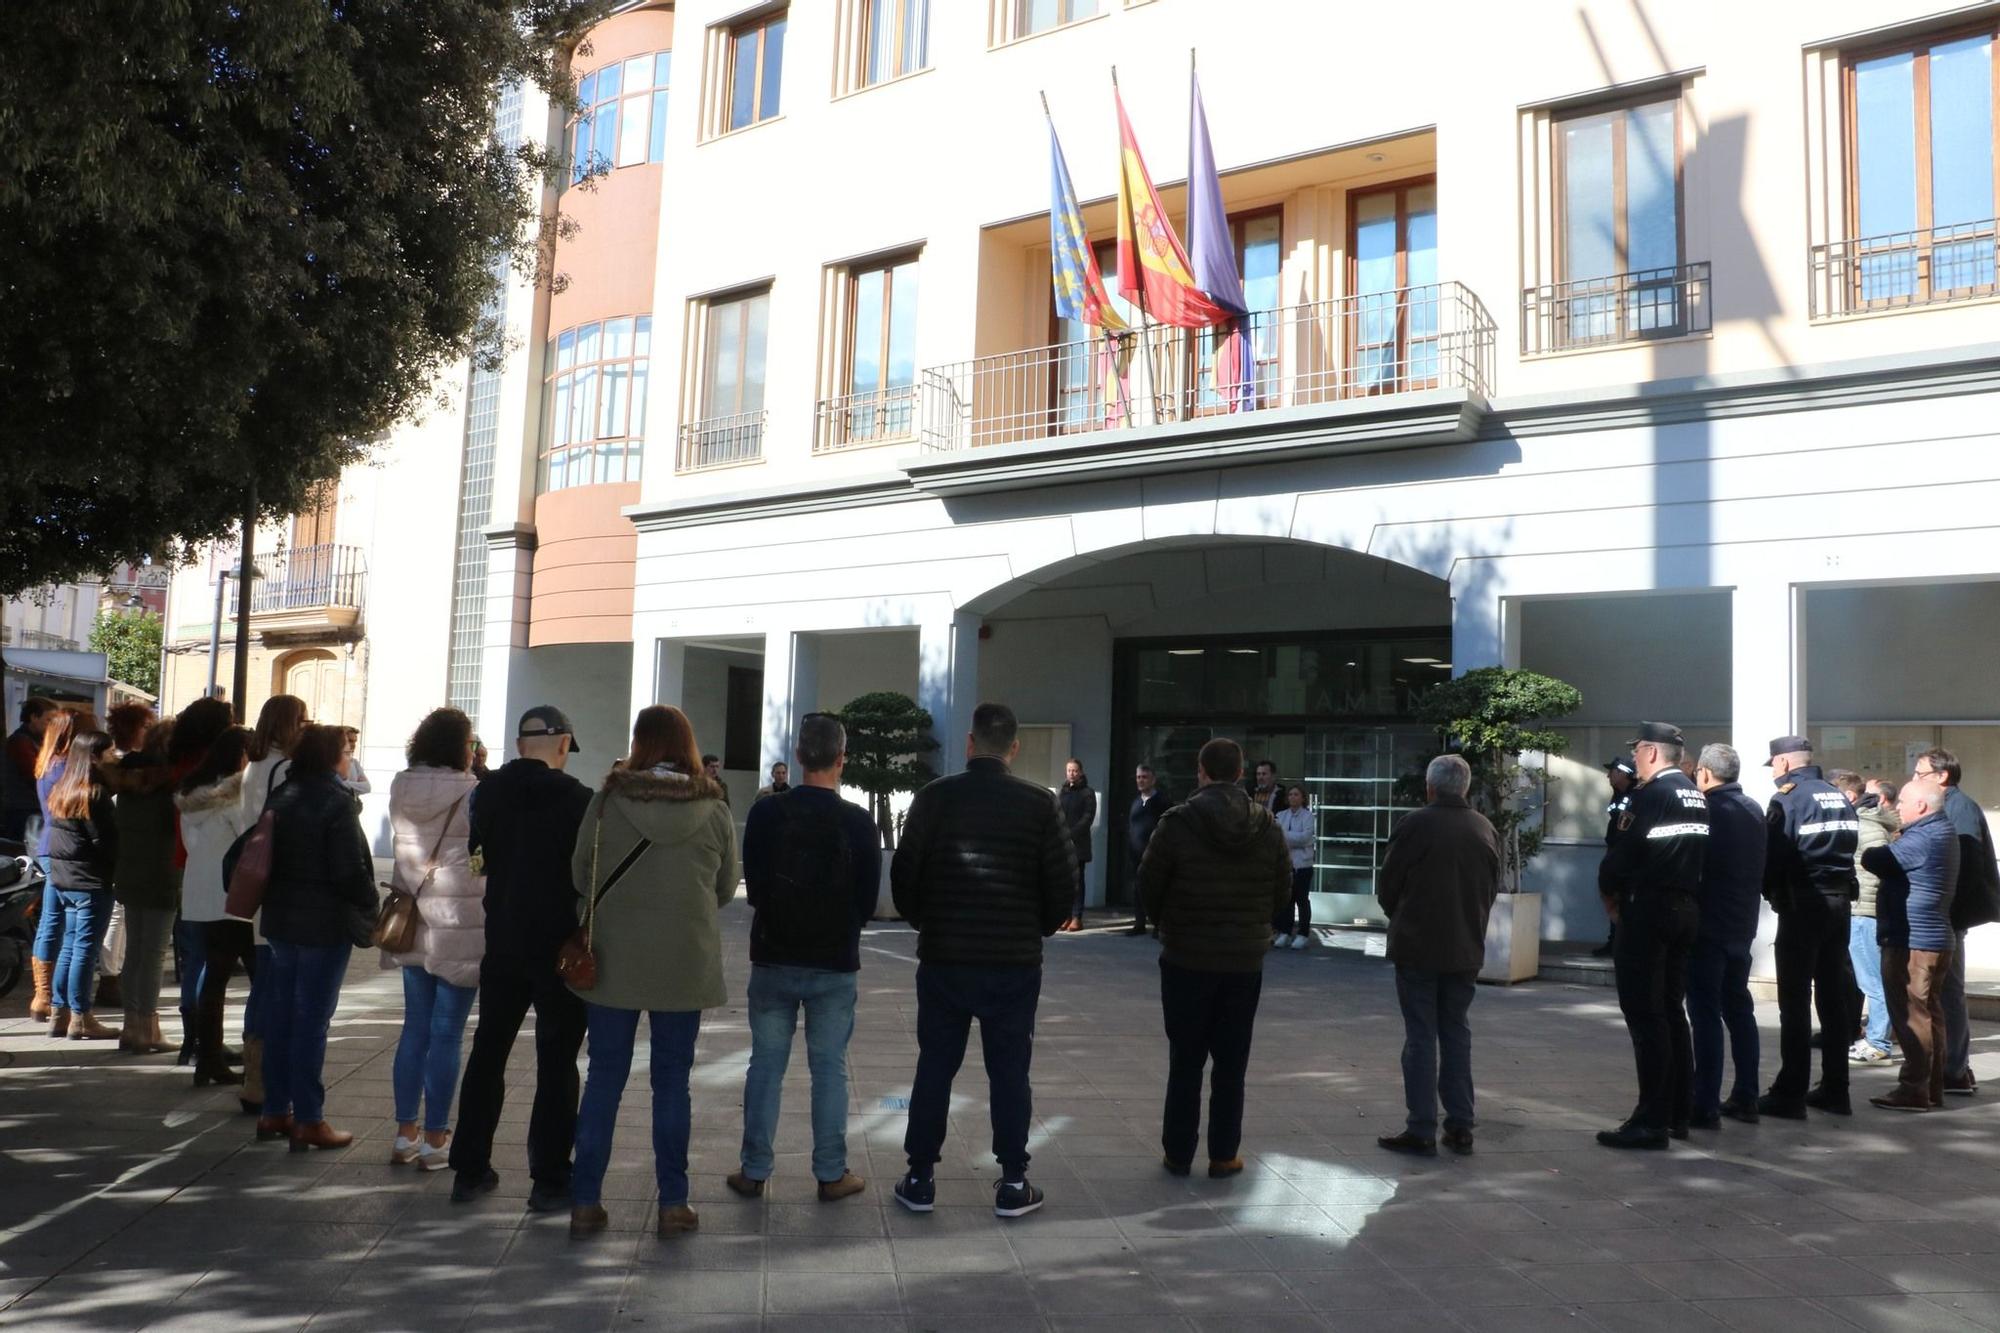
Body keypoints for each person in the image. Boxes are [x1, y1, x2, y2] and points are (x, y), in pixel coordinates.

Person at [890, 702, 1073, 1219]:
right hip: (1013, 962)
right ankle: (1013, 1181)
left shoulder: (933, 798)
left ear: (970, 743)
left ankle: (921, 1177)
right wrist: (1032, 927)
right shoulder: (1040, 804)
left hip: (945, 958)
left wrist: (926, 920)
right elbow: (1063, 885)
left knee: (935, 1068)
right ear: (1013, 748)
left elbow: (905, 874)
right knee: (1010, 1071)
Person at [567, 706, 737, 1241]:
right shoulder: (713, 807)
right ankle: (674, 1203)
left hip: (612, 960)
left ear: (638, 742)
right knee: (672, 1085)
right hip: (683, 964)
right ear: (687, 745)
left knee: (603, 1080)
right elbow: (726, 888)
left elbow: (579, 876)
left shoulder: (607, 802)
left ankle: (586, 1202)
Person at [729, 712, 880, 1202]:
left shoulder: (768, 814)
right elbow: (867, 900)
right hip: (834, 961)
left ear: (797, 757)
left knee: (765, 1066)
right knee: (830, 1069)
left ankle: (754, 1169)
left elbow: (752, 888)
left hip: (774, 954)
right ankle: (831, 1173)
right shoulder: (858, 822)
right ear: (841, 760)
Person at [450, 705, 593, 1210]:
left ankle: (469, 1167)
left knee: (489, 1051)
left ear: (517, 745)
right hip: (558, 947)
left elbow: (479, 859)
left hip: (503, 939)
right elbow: (586, 875)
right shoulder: (579, 799)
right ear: (562, 744)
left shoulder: (485, 792)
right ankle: (550, 1178)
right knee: (557, 1061)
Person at [1139, 737, 1289, 1176]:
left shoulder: (1177, 823)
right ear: (1241, 773)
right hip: (1244, 961)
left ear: (1201, 772)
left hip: (1186, 956)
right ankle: (1224, 1154)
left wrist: (1167, 922)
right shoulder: (1267, 826)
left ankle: (1178, 1152)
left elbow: (1149, 884)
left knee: (1184, 1060)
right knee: (1232, 1062)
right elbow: (1281, 891)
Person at [257, 725, 379, 1152]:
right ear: (331, 757)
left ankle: (275, 1109)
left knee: (282, 1016)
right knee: (311, 1021)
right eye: (346, 750)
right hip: (323, 925)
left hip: (280, 921)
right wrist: (371, 903)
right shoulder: (336, 803)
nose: (350, 757)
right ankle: (309, 1118)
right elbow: (349, 871)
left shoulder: (283, 794)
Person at [1374, 754, 1500, 1156]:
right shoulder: (1484, 827)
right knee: (1456, 1032)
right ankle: (1460, 1123)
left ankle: (1422, 1125)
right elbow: (1490, 890)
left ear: (1430, 787)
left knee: (1421, 1036)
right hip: (1464, 947)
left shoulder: (1415, 824)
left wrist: (1405, 917)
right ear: (1464, 787)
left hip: (1418, 945)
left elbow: (1388, 885)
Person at [1597, 722, 1708, 1150]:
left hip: (1647, 912)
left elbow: (1620, 857)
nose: (1636, 760)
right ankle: (1678, 1112)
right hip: (1684, 909)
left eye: (1638, 752)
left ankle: (1651, 1120)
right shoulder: (1695, 794)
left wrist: (1610, 896)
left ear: (1649, 752)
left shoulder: (1649, 796)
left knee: (1646, 1017)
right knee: (1671, 1012)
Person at [383, 708, 483, 1171]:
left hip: (412, 920)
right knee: (447, 1033)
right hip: (459, 922)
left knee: (415, 1029)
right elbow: (481, 859)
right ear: (459, 746)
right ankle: (437, 1138)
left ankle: (405, 1133)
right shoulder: (473, 792)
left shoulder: (401, 788)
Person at [1757, 735, 1860, 1120]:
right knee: (1833, 1001)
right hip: (1838, 903)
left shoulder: (1789, 798)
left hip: (1803, 904)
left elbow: (1776, 855)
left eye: (1773, 766)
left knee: (1795, 1002)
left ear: (1783, 763)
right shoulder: (1837, 796)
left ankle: (1790, 1093)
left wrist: (1768, 891)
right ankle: (1837, 1090)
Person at [1862, 783, 1959, 1112]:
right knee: (1929, 1014)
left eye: (1901, 802)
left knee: (1911, 1016)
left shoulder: (1922, 837)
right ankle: (1930, 1088)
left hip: (1913, 941)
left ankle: (1914, 1089)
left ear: (1920, 805)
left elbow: (1876, 859)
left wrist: (1887, 840)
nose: (1895, 807)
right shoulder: (1940, 831)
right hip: (1932, 937)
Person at [1908, 749, 1999, 1097]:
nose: (1915, 779)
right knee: (1945, 992)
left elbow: (1958, 866)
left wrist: (1945, 910)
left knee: (1947, 993)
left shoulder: (1957, 808)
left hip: (1947, 917)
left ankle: (1953, 1069)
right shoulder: (1956, 805)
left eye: (1920, 773)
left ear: (1941, 776)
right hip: (1948, 915)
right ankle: (1954, 1067)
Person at [1688, 744, 1766, 1128]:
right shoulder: (1753, 808)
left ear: (1703, 773)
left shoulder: (1707, 810)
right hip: (1742, 924)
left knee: (1704, 1013)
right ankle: (1747, 1094)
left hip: (1709, 926)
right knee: (1738, 1009)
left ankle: (1704, 1102)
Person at [239, 694, 309, 1114]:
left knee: (262, 985)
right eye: (300, 719)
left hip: (255, 883)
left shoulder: (254, 765)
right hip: (277, 885)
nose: (305, 725)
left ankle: (254, 1077)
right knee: (272, 986)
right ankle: (262, 1081)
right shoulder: (283, 768)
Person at [177, 726, 257, 1092]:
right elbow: (251, 837)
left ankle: (205, 1056)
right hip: (230, 896)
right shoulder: (234, 798)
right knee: (252, 977)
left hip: (197, 894)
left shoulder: (190, 796)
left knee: (212, 980)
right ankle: (240, 1057)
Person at [43, 731, 122, 1040]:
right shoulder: (94, 794)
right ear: (94, 756)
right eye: (110, 752)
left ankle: (59, 1014)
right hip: (90, 881)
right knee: (84, 951)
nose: (115, 757)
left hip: (65, 879)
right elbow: (106, 842)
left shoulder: (63, 789)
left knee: (70, 946)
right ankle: (81, 1016)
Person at [26, 708, 91, 1023]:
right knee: (63, 922)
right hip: (66, 847)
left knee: (51, 920)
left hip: (48, 845)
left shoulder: (46, 763)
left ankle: (43, 996)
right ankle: (49, 995)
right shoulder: (68, 768)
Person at [1834, 770, 1900, 1063]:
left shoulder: (1864, 825)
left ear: (1849, 796)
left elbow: (1875, 869)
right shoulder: (1868, 821)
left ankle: (1877, 1042)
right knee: (1872, 980)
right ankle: (1876, 1037)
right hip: (1864, 909)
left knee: (1872, 982)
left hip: (1864, 911)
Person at [1594, 757, 1638, 958]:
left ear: (1622, 773)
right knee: (1611, 895)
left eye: (1611, 771)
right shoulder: (1618, 794)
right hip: (1614, 852)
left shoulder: (1637, 796)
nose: (1608, 775)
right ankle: (1615, 943)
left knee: (1623, 901)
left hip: (1626, 858)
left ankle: (1624, 944)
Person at [2, 696, 56, 842]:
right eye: (48, 720)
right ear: (33, 717)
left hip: (29, 809)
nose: (51, 726)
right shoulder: (21, 742)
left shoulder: (36, 741)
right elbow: (35, 774)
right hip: (23, 811)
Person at [1125, 765, 1169, 937]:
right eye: (1138, 777)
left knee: (1157, 890)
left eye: (1144, 777)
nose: (1140, 780)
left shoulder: (1162, 802)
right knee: (1138, 889)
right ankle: (1139, 923)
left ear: (1153, 779)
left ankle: (1159, 925)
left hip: (1155, 855)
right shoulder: (1135, 803)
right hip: (1136, 854)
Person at [1272, 785, 1315, 950]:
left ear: (1302, 798)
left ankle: (1303, 934)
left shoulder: (1308, 816)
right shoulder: (1281, 815)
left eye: (1296, 794)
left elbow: (1304, 838)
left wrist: (1284, 835)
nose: (1292, 797)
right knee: (1287, 900)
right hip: (1286, 864)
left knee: (1302, 900)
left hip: (1303, 865)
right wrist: (1287, 837)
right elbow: (1275, 836)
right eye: (1290, 794)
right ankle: (1285, 932)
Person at [1057, 759, 1096, 932]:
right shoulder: (1063, 792)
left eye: (1074, 770)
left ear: (1080, 772)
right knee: (1065, 882)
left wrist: (1072, 834)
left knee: (1078, 881)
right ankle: (1065, 916)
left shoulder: (1087, 793)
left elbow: (1088, 817)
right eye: (1069, 770)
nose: (1071, 773)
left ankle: (1076, 917)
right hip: (1063, 843)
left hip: (1079, 844)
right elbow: (1057, 813)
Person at [337, 726, 372, 797]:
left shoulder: (355, 763)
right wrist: (357, 785)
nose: (353, 745)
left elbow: (367, 787)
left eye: (355, 741)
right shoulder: (331, 762)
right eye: (350, 741)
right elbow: (334, 785)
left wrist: (344, 783)